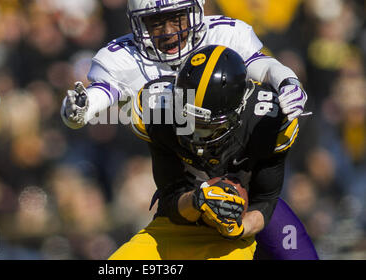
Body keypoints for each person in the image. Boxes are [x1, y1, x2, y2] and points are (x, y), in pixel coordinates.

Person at [61, 0, 317, 259]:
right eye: (156, 23)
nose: (169, 32)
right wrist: (82, 108)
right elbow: (103, 93)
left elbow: (258, 63)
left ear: (196, 12)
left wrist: (285, 79)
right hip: (186, 189)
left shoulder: (227, 38)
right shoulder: (148, 96)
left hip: (242, 187)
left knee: (296, 252)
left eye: (176, 18)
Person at [108, 45, 309, 259]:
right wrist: (198, 199)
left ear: (238, 111)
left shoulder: (265, 121)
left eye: (205, 124)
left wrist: (237, 227)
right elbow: (170, 197)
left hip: (235, 232)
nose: (193, 132)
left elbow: (265, 199)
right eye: (187, 119)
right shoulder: (158, 108)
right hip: (178, 226)